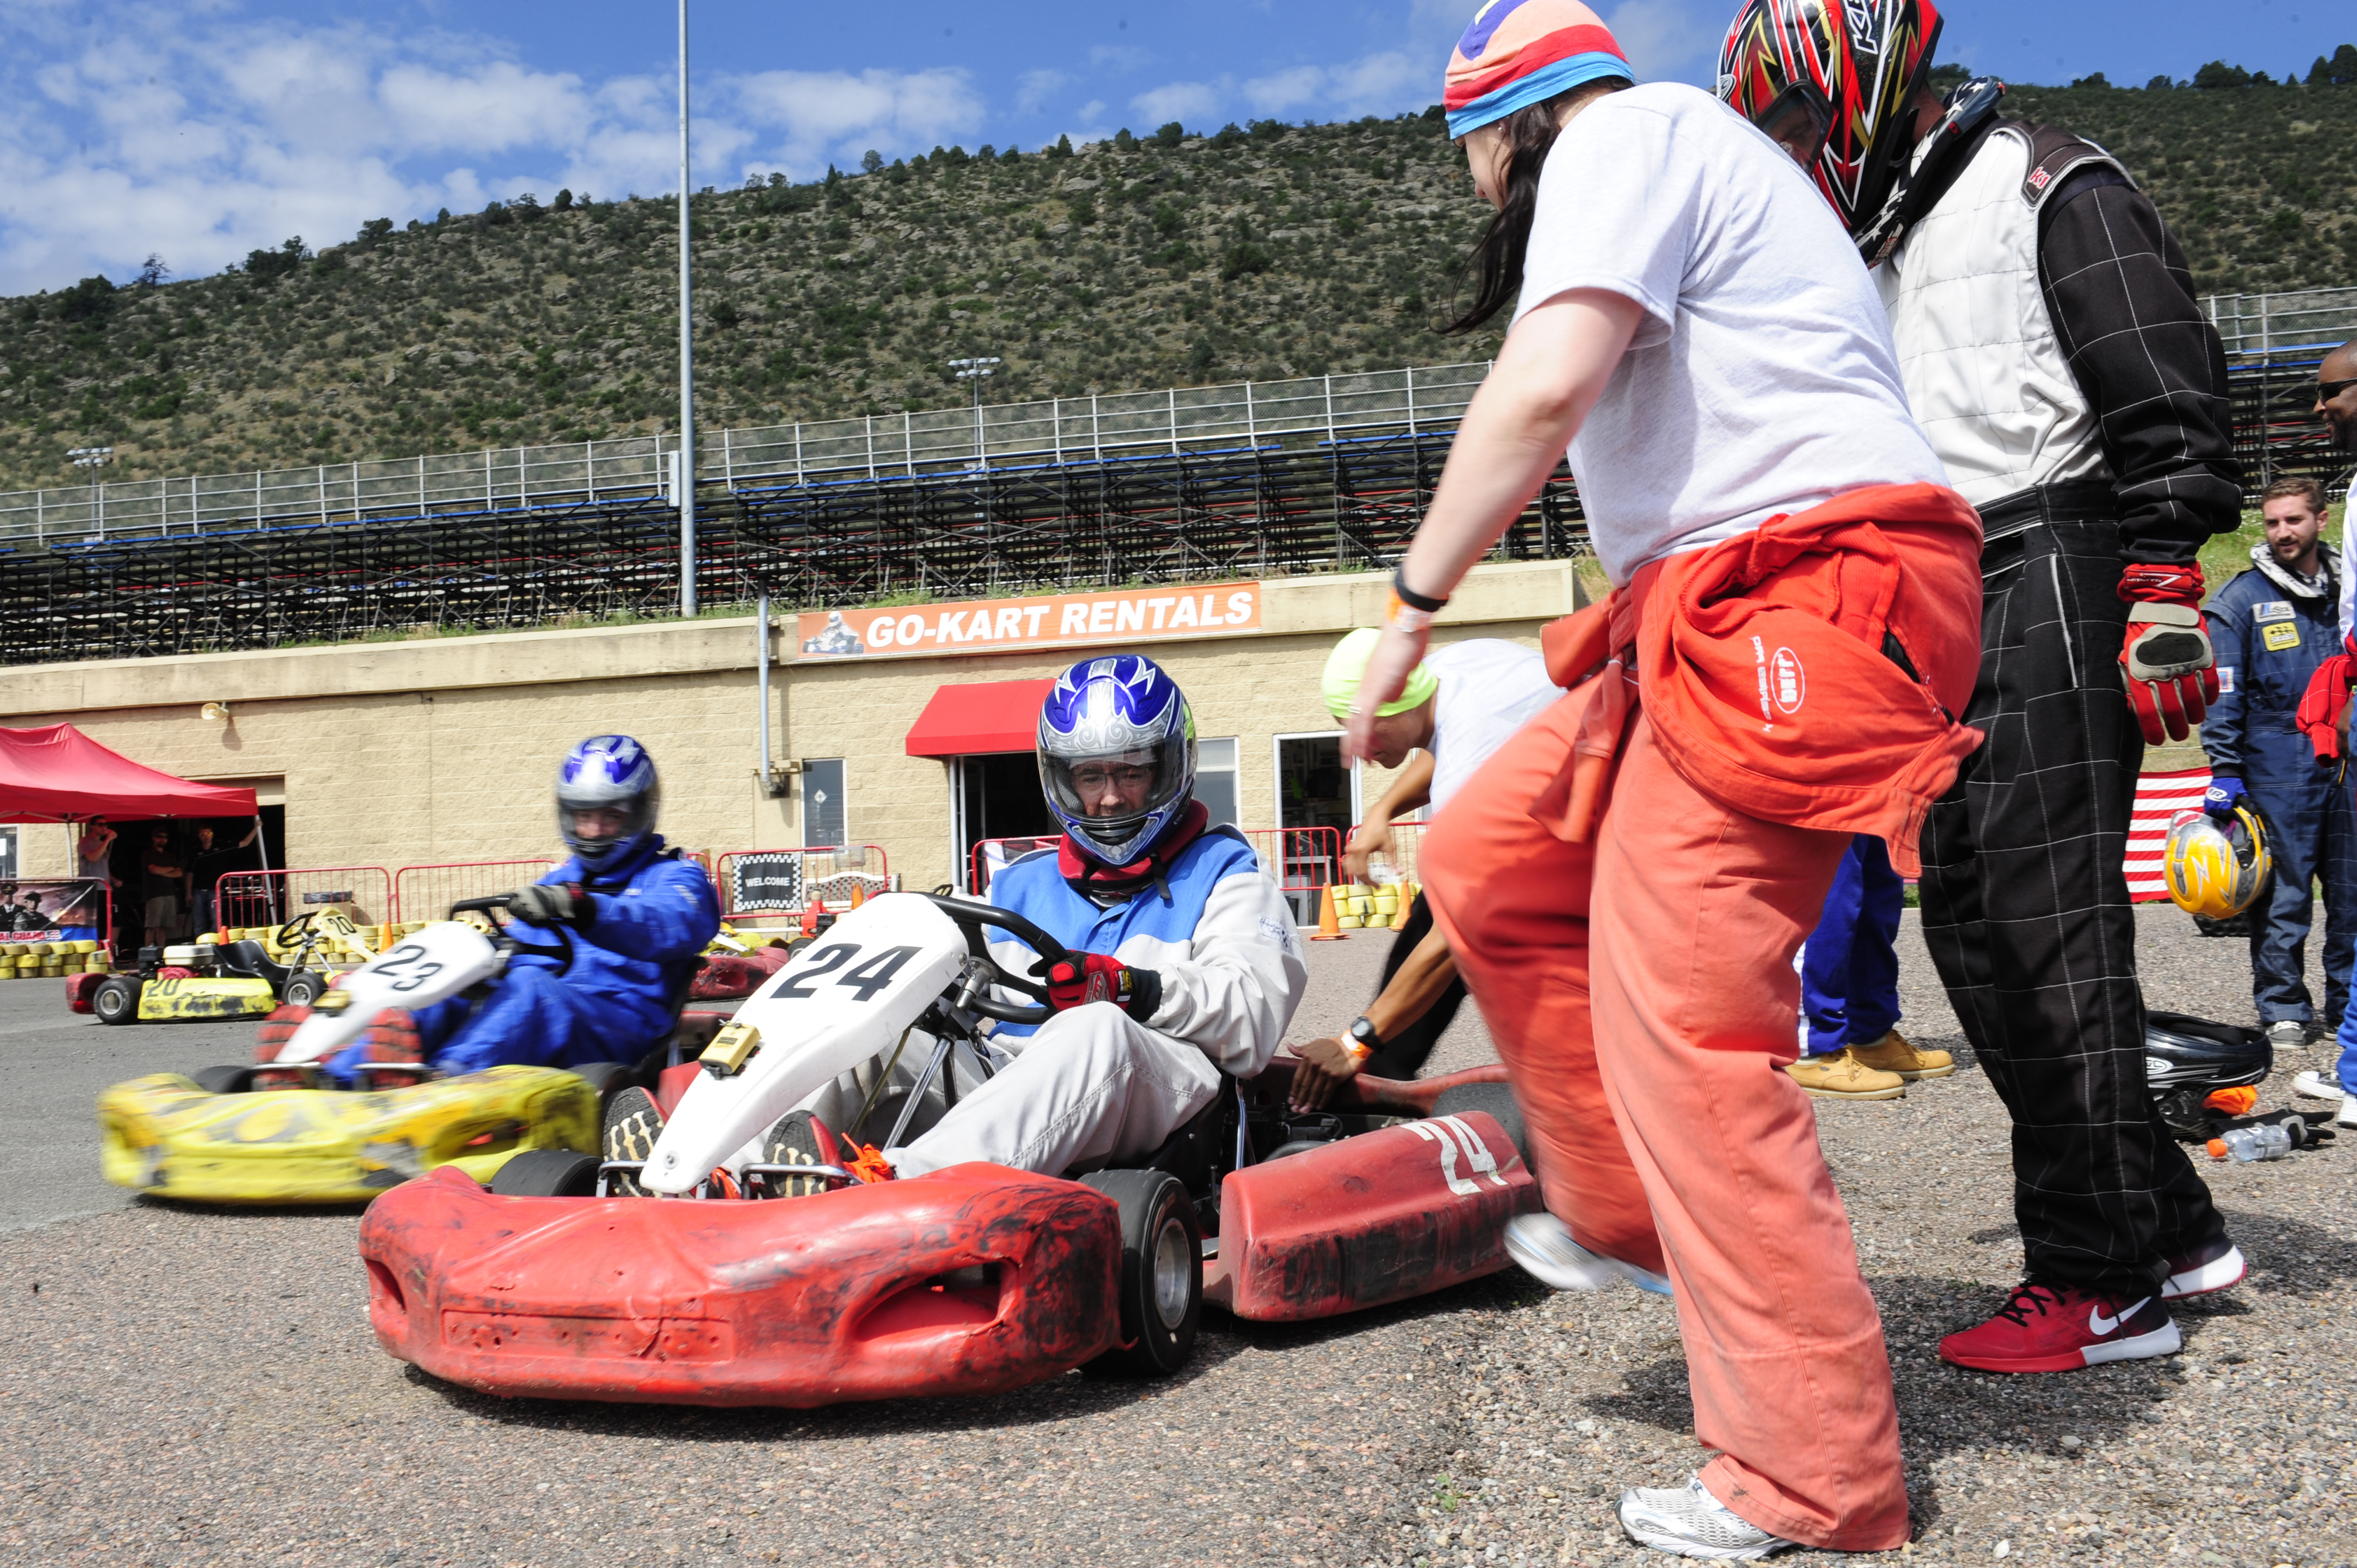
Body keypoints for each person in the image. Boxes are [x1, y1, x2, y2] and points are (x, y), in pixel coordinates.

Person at [1344, 3, 1983, 1555]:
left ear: (1501, 134)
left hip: (1798, 597)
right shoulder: (1676, 160)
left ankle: (1808, 1479)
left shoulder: (1622, 139)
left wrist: (1410, 603)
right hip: (1705, 611)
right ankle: (1632, 1214)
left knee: (1689, 1032)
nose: (1486, 199)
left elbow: (1544, 385)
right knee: (1490, 853)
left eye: (1475, 166)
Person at [1721, 0, 2246, 1377]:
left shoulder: (2043, 179)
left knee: (2048, 936)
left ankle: (2097, 1284)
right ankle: (2174, 1230)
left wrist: (2159, 583)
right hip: (1936, 590)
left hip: (2052, 556)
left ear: (1851, 78)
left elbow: (2166, 385)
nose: (1781, 149)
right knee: (1971, 933)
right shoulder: (1867, 239)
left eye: (1786, 117)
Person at [773, 654, 1305, 1184]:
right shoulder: (1017, 884)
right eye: (1091, 776)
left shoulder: (1228, 875)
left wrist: (1133, 989)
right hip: (1013, 1084)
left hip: (1161, 1091)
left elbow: (1251, 1021)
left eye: (1132, 771)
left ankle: (898, 1189)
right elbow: (933, 956)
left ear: (1170, 767)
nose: (1111, 797)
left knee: (1094, 1026)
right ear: (1063, 778)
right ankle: (733, 1180)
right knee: (867, 1040)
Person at [256, 736, 719, 1085]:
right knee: (454, 991)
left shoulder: (676, 878)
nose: (594, 830)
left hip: (619, 1024)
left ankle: (442, 1084)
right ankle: (333, 1073)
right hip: (541, 1007)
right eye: (583, 816)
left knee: (533, 989)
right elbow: (524, 954)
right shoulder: (555, 880)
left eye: (610, 817)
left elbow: (667, 925)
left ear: (639, 814)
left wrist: (585, 908)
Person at [1289, 627, 1559, 1109]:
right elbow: (1441, 742)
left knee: (1485, 938)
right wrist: (1381, 811)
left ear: (1394, 705)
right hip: (1568, 792)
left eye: (1364, 728)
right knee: (1432, 911)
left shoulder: (1467, 773)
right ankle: (1381, 1084)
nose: (1359, 748)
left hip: (1626, 831)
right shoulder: (1446, 670)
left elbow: (1454, 937)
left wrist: (1355, 1042)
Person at [2203, 477, 2354, 1053]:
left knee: (2350, 891)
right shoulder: (2241, 600)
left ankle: (2347, 1001)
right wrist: (2223, 770)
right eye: (2271, 523)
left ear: (2320, 519)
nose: (2282, 532)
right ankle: (2282, 1005)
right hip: (2275, 764)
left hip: (2345, 758)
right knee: (2283, 895)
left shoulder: (2349, 591)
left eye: (2292, 520)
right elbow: (2221, 693)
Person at [1791, 836, 1955, 1098]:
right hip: (1825, 797)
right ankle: (1810, 1049)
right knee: (1833, 893)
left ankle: (1869, 1036)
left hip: (1876, 796)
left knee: (1876, 897)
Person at [187, 821, 262, 939]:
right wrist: (188, 893)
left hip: (214, 891)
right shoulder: (195, 851)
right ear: (199, 836)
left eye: (208, 834)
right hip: (198, 891)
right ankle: (200, 944)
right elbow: (190, 873)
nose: (206, 837)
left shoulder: (221, 846)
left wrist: (257, 828)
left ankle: (214, 943)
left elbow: (244, 843)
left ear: (213, 834)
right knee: (199, 921)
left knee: (216, 920)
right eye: (203, 835)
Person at [76, 818, 119, 952]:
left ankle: (110, 952)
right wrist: (107, 840)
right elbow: (93, 858)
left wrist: (113, 879)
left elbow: (102, 865)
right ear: (92, 826)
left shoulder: (101, 843)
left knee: (116, 920)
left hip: (106, 888)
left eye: (106, 824)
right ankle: (99, 952)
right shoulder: (85, 842)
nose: (104, 827)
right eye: (101, 825)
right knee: (99, 923)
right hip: (93, 889)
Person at [140, 827, 184, 949]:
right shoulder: (148, 853)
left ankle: (161, 953)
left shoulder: (170, 855)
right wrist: (170, 869)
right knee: (152, 926)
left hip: (170, 893)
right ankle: (148, 955)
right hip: (154, 894)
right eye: (160, 837)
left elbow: (180, 873)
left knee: (164, 926)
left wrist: (162, 872)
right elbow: (153, 869)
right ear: (154, 838)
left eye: (165, 837)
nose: (162, 839)